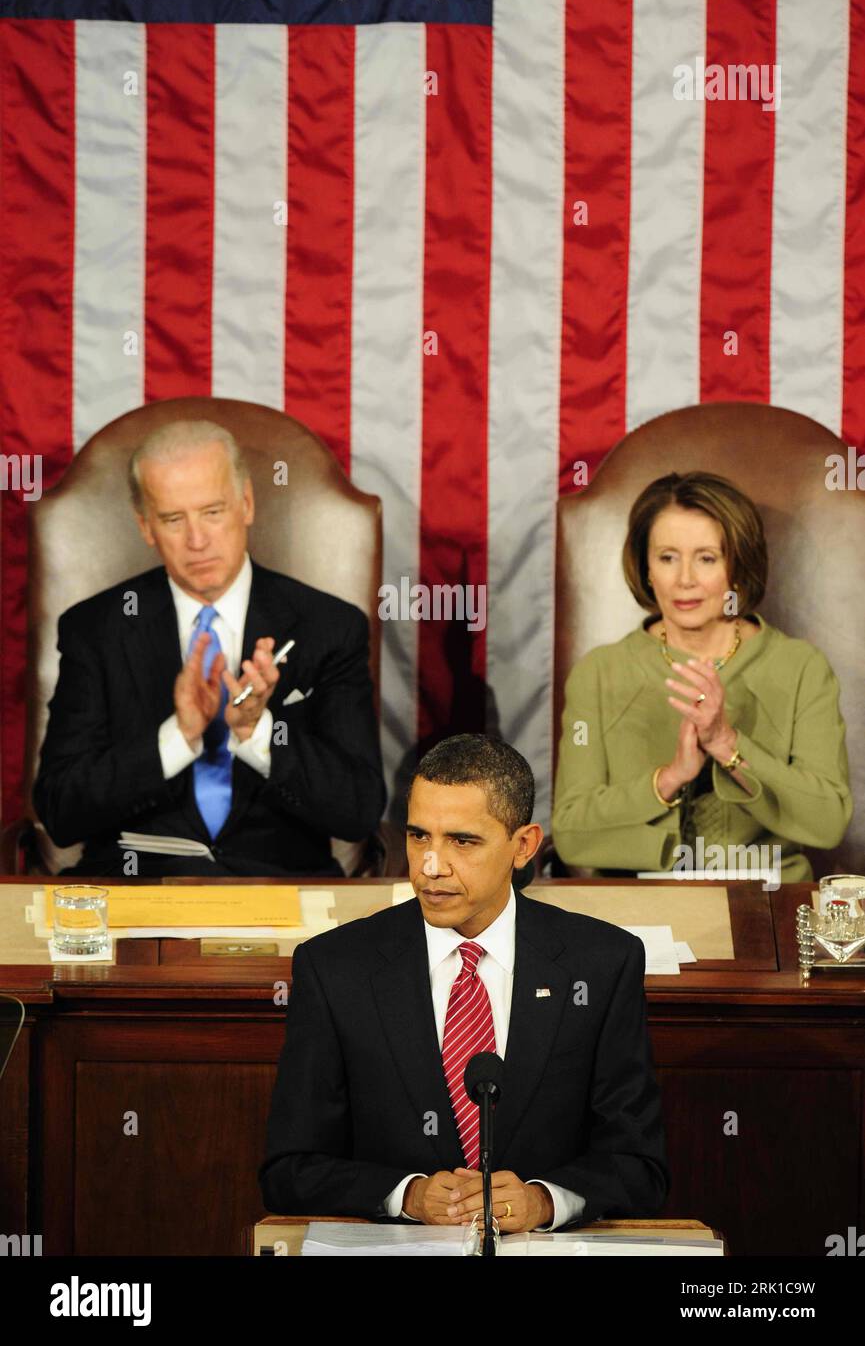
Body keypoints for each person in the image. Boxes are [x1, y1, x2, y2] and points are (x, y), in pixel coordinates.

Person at [260, 734, 669, 1230]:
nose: (432, 866)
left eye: (462, 841)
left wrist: (543, 1203)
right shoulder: (334, 968)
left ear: (523, 846)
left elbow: (640, 1168)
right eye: (418, 837)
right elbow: (289, 1171)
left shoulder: (602, 963)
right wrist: (406, 1195)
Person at [33, 419, 386, 877]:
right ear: (145, 526)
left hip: (282, 890)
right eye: (173, 519)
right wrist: (177, 738)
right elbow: (61, 812)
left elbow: (357, 810)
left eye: (213, 512)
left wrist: (259, 732)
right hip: (135, 890)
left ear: (246, 504)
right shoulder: (96, 629)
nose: (197, 541)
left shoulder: (329, 627)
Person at [552, 471, 852, 882]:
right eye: (667, 557)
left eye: (707, 558)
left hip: (767, 902)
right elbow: (571, 833)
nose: (685, 579)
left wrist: (727, 745)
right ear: (646, 567)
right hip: (636, 901)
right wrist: (669, 779)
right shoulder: (599, 673)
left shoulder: (802, 668)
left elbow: (827, 820)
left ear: (737, 565)